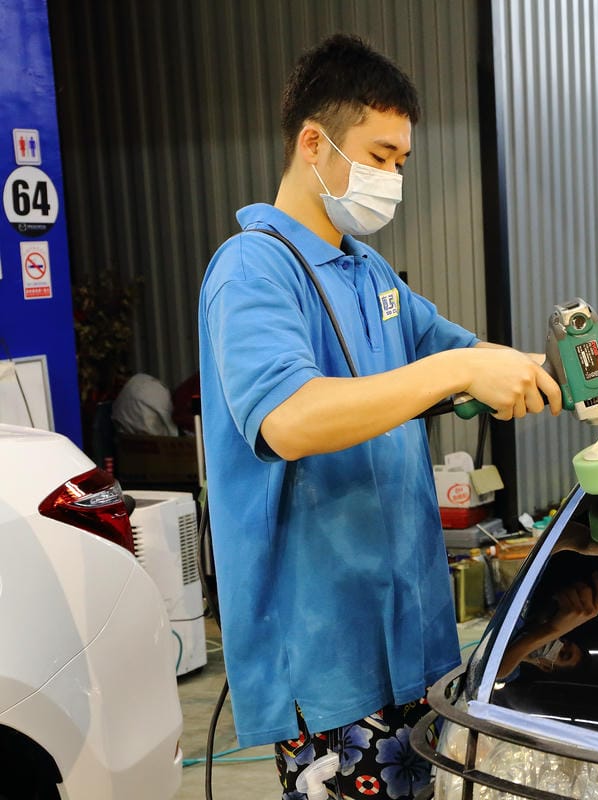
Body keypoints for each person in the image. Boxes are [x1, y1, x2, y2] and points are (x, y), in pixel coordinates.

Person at [197, 33, 562, 800]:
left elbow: (464, 354)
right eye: (380, 154)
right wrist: (454, 371)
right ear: (313, 143)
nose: (393, 178)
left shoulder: (369, 275)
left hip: (411, 642)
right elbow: (289, 418)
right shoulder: (253, 270)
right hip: (330, 665)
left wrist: (563, 373)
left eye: (401, 162)